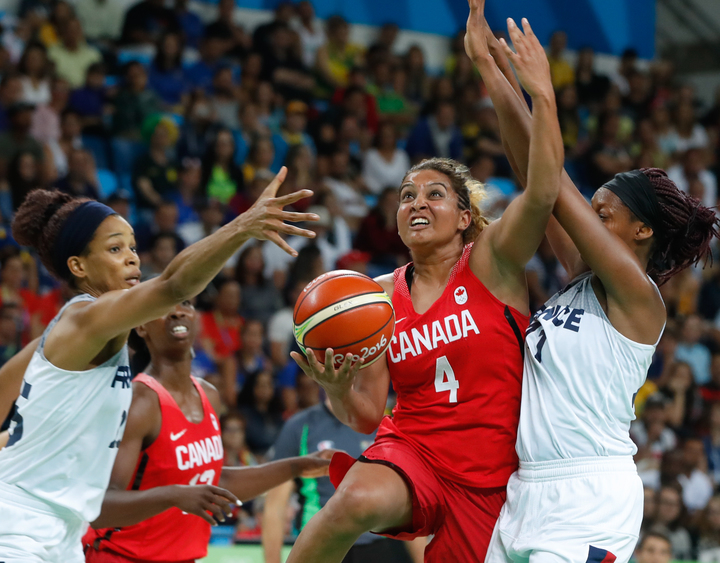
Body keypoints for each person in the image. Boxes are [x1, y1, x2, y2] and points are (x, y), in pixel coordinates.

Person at [287, 8, 564, 561]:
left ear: (464, 217)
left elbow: (542, 190)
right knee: (352, 501)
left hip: (492, 479)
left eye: (434, 194)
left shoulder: (494, 261)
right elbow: (367, 415)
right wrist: (336, 388)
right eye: (406, 196)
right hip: (412, 452)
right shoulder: (375, 297)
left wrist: (538, 93)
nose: (417, 202)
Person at [463, 2, 719, 563]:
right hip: (526, 489)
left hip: (590, 496)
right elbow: (538, 178)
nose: (589, 218)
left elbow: (555, 184)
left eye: (603, 213)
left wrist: (544, 95)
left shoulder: (639, 296)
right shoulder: (581, 275)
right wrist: (488, 67)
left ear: (642, 230)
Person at [0, 167, 318, 563]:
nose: (132, 258)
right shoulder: (86, 318)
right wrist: (242, 227)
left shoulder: (65, 334)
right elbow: (173, 285)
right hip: (20, 527)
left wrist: (17, 441)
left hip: (61, 532)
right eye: (115, 249)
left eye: (133, 247)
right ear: (78, 267)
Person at [82, 300, 332, 562]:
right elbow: (101, 509)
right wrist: (173, 495)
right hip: (122, 556)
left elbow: (215, 483)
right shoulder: (139, 402)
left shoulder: (208, 395)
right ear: (142, 327)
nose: (177, 312)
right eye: (165, 306)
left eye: (185, 303)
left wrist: (297, 466)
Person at [263, 396, 422, 563]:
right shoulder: (300, 427)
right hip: (321, 544)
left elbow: (410, 501)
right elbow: (274, 507)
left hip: (379, 546)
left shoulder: (385, 426)